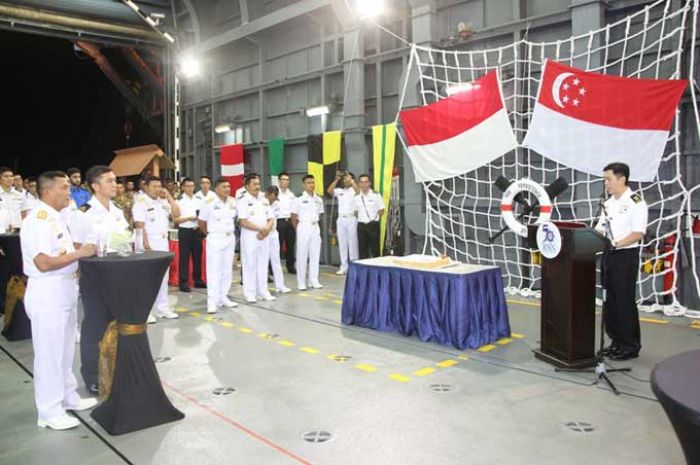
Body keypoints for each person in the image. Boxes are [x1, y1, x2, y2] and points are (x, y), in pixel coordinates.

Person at [20, 171, 97, 430]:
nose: (69, 192)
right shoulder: (38, 220)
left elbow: (60, 251)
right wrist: (80, 253)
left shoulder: (56, 218)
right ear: (47, 191)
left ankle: (67, 396)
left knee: (64, 350)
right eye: (64, 188)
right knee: (49, 355)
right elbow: (42, 262)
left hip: (64, 288)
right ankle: (49, 412)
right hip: (47, 291)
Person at [69, 165, 130, 393]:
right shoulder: (83, 212)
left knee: (117, 321)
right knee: (95, 325)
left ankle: (114, 367)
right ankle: (93, 375)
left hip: (118, 272)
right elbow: (75, 245)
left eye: (115, 180)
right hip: (94, 274)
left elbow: (124, 239)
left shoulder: (116, 210)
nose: (115, 185)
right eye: (109, 181)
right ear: (95, 186)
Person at [595, 162, 648, 361]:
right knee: (610, 301)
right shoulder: (608, 203)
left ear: (622, 179)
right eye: (605, 179)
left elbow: (638, 233)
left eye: (608, 179)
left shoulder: (636, 202)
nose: (605, 183)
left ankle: (630, 345)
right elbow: (600, 229)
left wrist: (616, 244)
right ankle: (616, 341)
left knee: (624, 301)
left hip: (625, 256)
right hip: (608, 255)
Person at [132, 176, 181, 322]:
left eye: (160, 186)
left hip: (163, 242)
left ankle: (163, 308)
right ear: (145, 187)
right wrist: (146, 245)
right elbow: (139, 226)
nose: (158, 188)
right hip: (149, 243)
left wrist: (170, 197)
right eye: (154, 186)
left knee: (163, 277)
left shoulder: (162, 202)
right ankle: (146, 311)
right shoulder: (140, 203)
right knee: (147, 278)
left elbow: (177, 214)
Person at [198, 178, 238, 314]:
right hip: (215, 237)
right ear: (216, 189)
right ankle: (212, 301)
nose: (227, 189)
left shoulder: (232, 201)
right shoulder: (209, 202)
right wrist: (209, 234)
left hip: (230, 237)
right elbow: (201, 222)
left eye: (228, 186)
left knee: (227, 269)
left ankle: (223, 297)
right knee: (214, 270)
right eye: (224, 186)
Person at [237, 174, 276, 303]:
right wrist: (261, 230)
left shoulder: (264, 199)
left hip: (264, 235)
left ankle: (263, 291)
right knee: (250, 264)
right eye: (254, 184)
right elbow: (243, 221)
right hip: (250, 236)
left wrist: (266, 229)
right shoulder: (243, 200)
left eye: (258, 184)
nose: (257, 187)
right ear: (247, 186)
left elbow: (271, 218)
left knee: (263, 263)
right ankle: (250, 293)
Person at [291, 174, 324, 290]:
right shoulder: (299, 199)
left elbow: (320, 213)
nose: (312, 185)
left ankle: (313, 280)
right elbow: (293, 216)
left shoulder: (318, 199)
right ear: (303, 185)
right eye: (309, 183)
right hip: (303, 226)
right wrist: (299, 230)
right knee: (302, 255)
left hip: (315, 227)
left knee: (315, 255)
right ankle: (301, 282)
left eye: (313, 182)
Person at [174, 177, 205, 292]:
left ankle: (198, 279)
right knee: (184, 257)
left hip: (197, 230)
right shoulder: (179, 201)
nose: (190, 188)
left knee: (197, 256)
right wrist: (188, 218)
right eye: (187, 186)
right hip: (185, 230)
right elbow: (175, 219)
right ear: (182, 187)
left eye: (192, 186)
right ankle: (183, 282)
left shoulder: (199, 200)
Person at [327, 171, 359, 275]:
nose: (345, 181)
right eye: (344, 179)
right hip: (341, 219)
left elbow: (359, 192)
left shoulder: (354, 190)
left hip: (351, 218)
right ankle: (344, 266)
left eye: (347, 179)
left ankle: (354, 265)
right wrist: (336, 179)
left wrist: (352, 181)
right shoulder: (339, 190)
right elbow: (329, 191)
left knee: (352, 243)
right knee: (342, 244)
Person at [265, 186, 291, 293]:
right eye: (273, 197)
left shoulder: (277, 204)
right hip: (262, 234)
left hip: (273, 233)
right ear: (268, 194)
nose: (274, 200)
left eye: (276, 197)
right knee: (262, 261)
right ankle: (261, 287)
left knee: (276, 260)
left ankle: (280, 286)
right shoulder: (261, 202)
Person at [355, 174, 385, 259]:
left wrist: (374, 220)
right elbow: (355, 211)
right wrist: (362, 219)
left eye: (366, 182)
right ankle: (364, 271)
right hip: (361, 226)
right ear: (359, 184)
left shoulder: (376, 195)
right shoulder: (356, 197)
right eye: (361, 182)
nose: (364, 184)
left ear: (369, 183)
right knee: (362, 250)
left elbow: (381, 209)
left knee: (375, 250)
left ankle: (376, 270)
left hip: (373, 225)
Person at [275, 172, 297, 274]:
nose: (286, 182)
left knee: (291, 245)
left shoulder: (291, 194)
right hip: (279, 221)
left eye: (287, 180)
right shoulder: (275, 193)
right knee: (276, 245)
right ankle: (273, 268)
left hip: (290, 221)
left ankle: (290, 266)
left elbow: (295, 209)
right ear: (279, 181)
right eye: (284, 179)